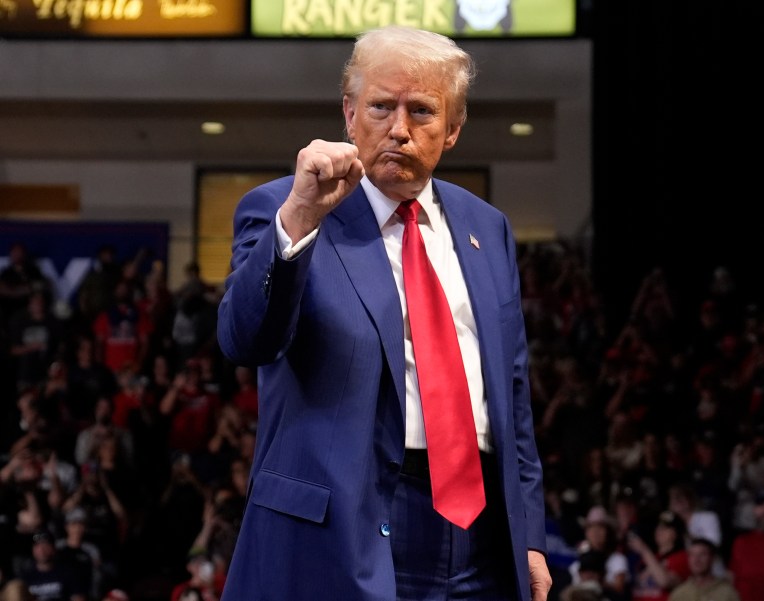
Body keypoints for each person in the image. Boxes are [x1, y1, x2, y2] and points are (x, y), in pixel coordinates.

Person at [215, 25, 550, 601]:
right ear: (349, 114)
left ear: (452, 131)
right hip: (341, 527)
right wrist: (300, 217)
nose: (398, 128)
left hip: (481, 534)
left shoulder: (486, 228)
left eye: (421, 110)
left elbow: (510, 393)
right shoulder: (284, 207)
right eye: (380, 107)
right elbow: (245, 341)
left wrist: (530, 535)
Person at [667, 539, 738, 601]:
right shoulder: (679, 594)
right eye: (692, 555)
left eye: (702, 554)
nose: (697, 559)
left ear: (712, 558)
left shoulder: (727, 593)